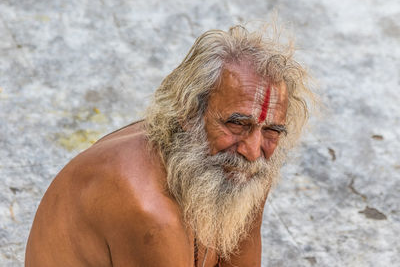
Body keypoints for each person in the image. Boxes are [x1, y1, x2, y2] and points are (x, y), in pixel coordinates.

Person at [25, 24, 315, 267]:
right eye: (237, 124)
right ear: (189, 114)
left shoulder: (245, 163)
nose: (252, 151)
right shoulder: (149, 209)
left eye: (271, 130)